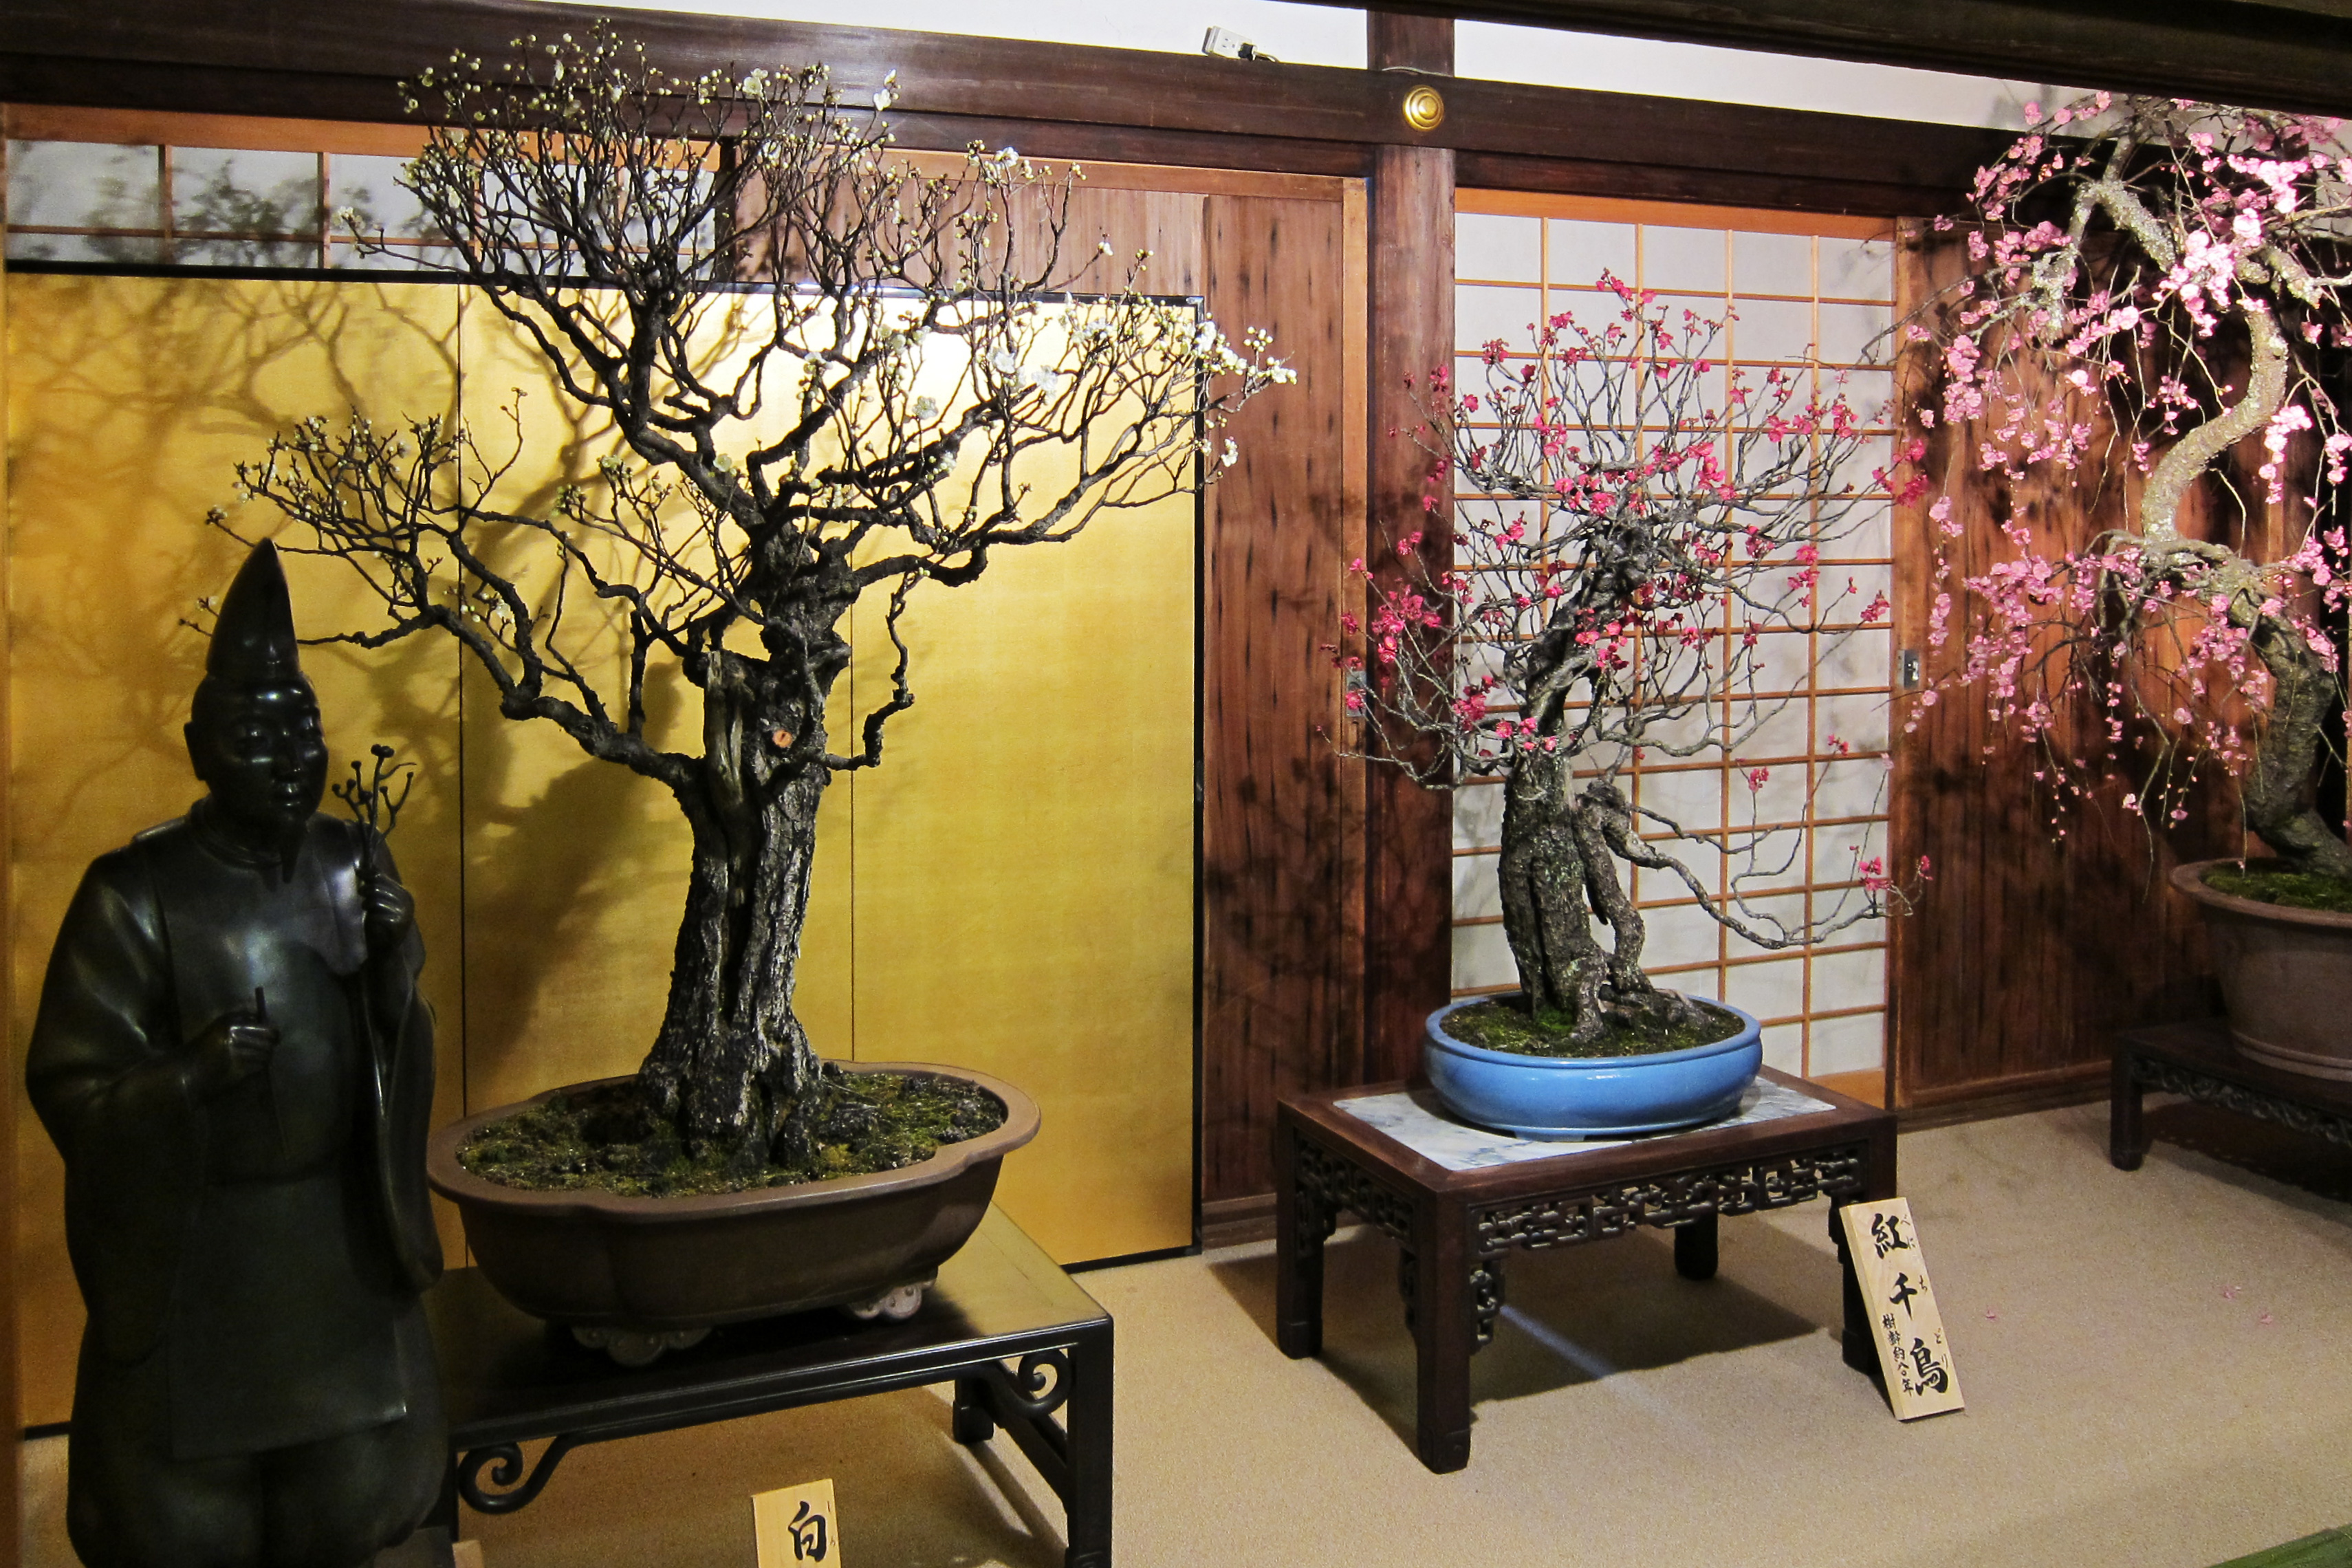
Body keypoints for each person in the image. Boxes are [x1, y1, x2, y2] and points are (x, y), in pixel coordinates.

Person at [26, 540, 445, 1568]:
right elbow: (71, 1081)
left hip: (335, 1246)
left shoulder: (354, 860)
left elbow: (397, 1043)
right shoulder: (134, 893)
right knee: (185, 1523)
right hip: (198, 1251)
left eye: (302, 731)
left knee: (354, 1504)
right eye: (255, 735)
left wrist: (393, 968)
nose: (288, 757)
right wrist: (186, 1080)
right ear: (199, 747)